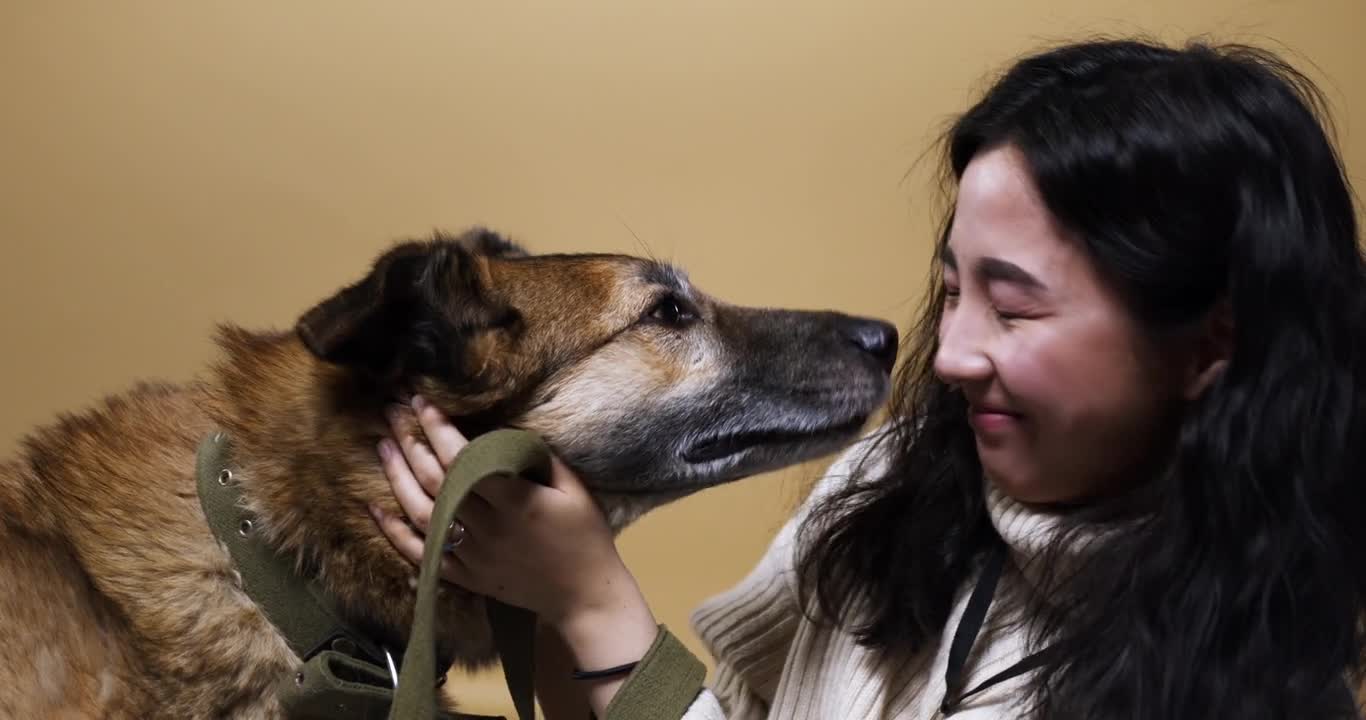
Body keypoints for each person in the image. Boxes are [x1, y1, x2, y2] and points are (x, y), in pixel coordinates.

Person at [370, 38, 1366, 719]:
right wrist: (543, 592)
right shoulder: (886, 487)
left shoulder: (1258, 688)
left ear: (1205, 345)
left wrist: (592, 601)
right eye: (953, 292)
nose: (947, 357)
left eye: (1014, 306)